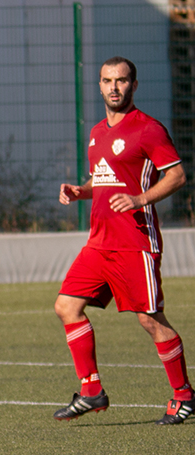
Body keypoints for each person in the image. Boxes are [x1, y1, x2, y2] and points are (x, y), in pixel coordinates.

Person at [55, 56, 191, 423]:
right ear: (99, 86)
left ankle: (184, 395)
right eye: (107, 81)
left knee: (150, 320)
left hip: (135, 242)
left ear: (134, 84)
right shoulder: (97, 132)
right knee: (66, 306)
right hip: (99, 243)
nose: (114, 87)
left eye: (121, 80)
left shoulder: (148, 129)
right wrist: (80, 191)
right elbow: (102, 178)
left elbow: (177, 176)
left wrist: (139, 199)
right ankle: (91, 391)